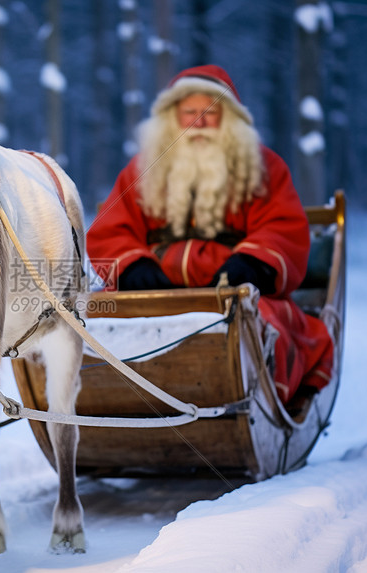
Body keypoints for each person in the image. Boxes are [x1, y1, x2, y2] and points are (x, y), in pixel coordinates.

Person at [86, 64, 333, 404]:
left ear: (229, 119)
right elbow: (111, 229)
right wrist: (132, 267)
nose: (198, 122)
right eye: (189, 113)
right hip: (155, 291)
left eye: (210, 113)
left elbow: (282, 226)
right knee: (95, 320)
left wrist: (251, 263)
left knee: (267, 324)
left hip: (236, 291)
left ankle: (249, 402)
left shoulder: (264, 168)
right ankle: (105, 402)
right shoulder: (141, 170)